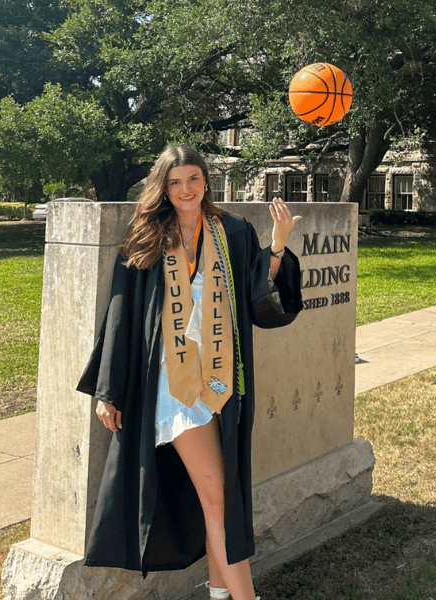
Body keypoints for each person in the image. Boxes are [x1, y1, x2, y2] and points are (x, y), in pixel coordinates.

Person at [77, 145, 302, 600]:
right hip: (175, 385)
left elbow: (259, 291)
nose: (185, 190)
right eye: (176, 182)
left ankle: (220, 593)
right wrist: (109, 389)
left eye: (193, 179)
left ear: (206, 182)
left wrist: (277, 243)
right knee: (220, 502)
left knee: (217, 500)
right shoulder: (148, 236)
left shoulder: (229, 232)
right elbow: (121, 313)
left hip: (222, 381)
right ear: (163, 186)